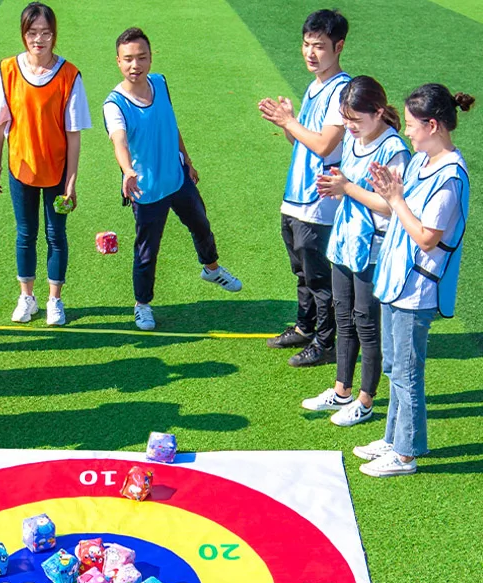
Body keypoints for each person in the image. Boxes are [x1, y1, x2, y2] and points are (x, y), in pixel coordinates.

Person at [353, 84, 473, 477]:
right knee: (395, 367)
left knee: (406, 373)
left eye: (410, 125)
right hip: (396, 281)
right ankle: (394, 440)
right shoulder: (423, 161)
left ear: (432, 124)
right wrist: (391, 191)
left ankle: (405, 455)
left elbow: (426, 238)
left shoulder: (451, 176)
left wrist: (396, 199)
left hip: (416, 288)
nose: (406, 132)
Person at [103, 27, 242, 332]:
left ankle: (211, 269)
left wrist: (187, 160)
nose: (135, 65)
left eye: (141, 57)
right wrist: (127, 171)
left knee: (201, 224)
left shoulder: (160, 83)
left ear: (151, 58)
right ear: (118, 61)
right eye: (128, 59)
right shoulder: (114, 104)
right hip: (147, 190)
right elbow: (119, 141)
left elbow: (170, 122)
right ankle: (142, 306)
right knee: (147, 252)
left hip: (178, 179)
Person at [305, 76, 410, 426]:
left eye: (355, 119)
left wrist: (347, 187)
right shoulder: (355, 140)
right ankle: (342, 390)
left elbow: (391, 206)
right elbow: (352, 186)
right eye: (345, 119)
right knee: (343, 316)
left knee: (367, 323)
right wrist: (337, 187)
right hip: (346, 241)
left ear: (378, 112)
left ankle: (366, 400)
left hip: (374, 249)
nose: (348, 127)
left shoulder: (393, 149)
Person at [0, 2, 91, 327]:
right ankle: (26, 297)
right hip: (20, 167)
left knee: (55, 234)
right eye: (32, 32)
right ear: (23, 34)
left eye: (46, 33)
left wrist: (72, 180)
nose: (39, 39)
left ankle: (54, 301)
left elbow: (73, 133)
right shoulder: (7, 70)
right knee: (25, 233)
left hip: (57, 171)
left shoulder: (69, 75)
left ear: (54, 34)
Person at [259, 9, 350, 366]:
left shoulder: (342, 89)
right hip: (296, 198)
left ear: (338, 46)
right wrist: (289, 123)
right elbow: (304, 143)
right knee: (301, 271)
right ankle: (304, 327)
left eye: (320, 46)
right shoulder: (316, 86)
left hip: (318, 203)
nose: (311, 53)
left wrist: (288, 121)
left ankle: (326, 344)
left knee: (318, 277)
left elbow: (326, 144)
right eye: (307, 45)